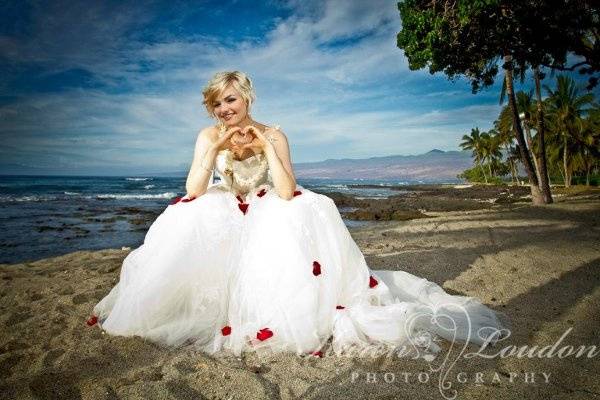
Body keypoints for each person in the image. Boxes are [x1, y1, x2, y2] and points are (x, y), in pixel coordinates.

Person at [89, 71, 509, 358]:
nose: (223, 109)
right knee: (186, 216)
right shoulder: (207, 136)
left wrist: (267, 145)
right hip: (224, 204)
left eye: (230, 99)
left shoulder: (274, 133)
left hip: (267, 201)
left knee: (292, 218)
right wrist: (217, 148)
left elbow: (287, 190)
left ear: (247, 98)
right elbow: (193, 190)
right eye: (216, 103)